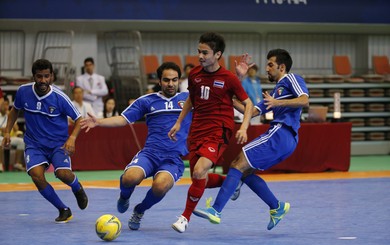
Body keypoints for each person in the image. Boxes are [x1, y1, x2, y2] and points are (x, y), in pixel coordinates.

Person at [193, 48, 310, 230]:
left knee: (237, 163)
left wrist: (277, 103)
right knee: (245, 172)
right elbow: (251, 110)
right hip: (283, 138)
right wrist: (227, 96)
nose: (267, 69)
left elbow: (304, 100)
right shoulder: (274, 92)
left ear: (282, 66)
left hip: (281, 133)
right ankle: (276, 207)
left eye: (270, 65)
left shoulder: (291, 79)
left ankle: (216, 210)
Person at [80, 62, 192, 231]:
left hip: (172, 159)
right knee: (130, 178)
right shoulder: (147, 100)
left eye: (174, 80)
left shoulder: (189, 100)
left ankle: (140, 210)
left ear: (179, 80)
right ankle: (124, 197)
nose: (171, 84)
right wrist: (99, 122)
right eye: (166, 80)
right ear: (159, 81)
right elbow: (123, 119)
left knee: (160, 186)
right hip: (150, 154)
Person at [168, 32, 254, 233]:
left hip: (218, 130)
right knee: (200, 179)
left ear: (217, 54)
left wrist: (243, 127)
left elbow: (248, 104)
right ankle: (232, 183)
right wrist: (179, 122)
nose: (200, 56)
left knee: (198, 171)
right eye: (198, 51)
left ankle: (184, 218)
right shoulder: (195, 74)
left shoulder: (229, 78)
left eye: (205, 52)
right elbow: (191, 98)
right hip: (197, 130)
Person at [1, 58, 88, 223]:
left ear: (52, 76)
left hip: (58, 144)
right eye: (39, 76)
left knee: (63, 174)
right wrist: (7, 131)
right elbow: (14, 111)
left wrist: (72, 138)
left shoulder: (60, 97)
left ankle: (77, 188)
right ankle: (63, 209)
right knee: (36, 175)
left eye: (46, 76)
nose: (43, 80)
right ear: (33, 76)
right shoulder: (23, 91)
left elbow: (78, 119)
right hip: (34, 144)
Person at [0, 99, 25, 172]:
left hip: (10, 137)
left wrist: (9, 117)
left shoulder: (10, 114)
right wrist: (2, 129)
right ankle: (0, 164)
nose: (5, 107)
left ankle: (17, 164)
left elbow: (16, 128)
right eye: (3, 105)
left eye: (7, 105)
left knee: (21, 141)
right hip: (1, 137)